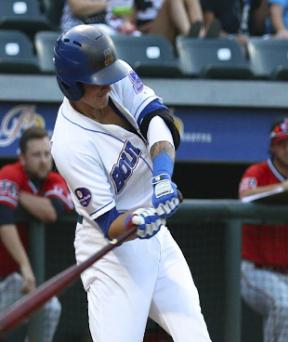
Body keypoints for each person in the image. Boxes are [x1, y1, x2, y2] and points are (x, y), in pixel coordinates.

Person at [50, 25, 211, 341]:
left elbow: (157, 118)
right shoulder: (69, 143)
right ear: (71, 86)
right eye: (96, 83)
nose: (107, 87)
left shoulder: (115, 79)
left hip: (157, 238)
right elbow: (109, 222)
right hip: (113, 252)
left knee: (195, 336)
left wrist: (162, 176)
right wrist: (136, 220)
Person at [238, 117, 288, 342]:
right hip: (256, 270)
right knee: (284, 303)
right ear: (273, 146)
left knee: (285, 329)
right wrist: (283, 187)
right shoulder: (258, 172)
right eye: (282, 143)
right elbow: (244, 196)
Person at [0, 127, 74, 342]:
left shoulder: (55, 180)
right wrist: (25, 266)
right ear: (22, 158)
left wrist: (19, 195)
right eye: (36, 155)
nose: (43, 160)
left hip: (9, 281)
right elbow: (3, 220)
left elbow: (50, 213)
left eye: (46, 154)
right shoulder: (9, 174)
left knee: (49, 308)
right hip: (16, 274)